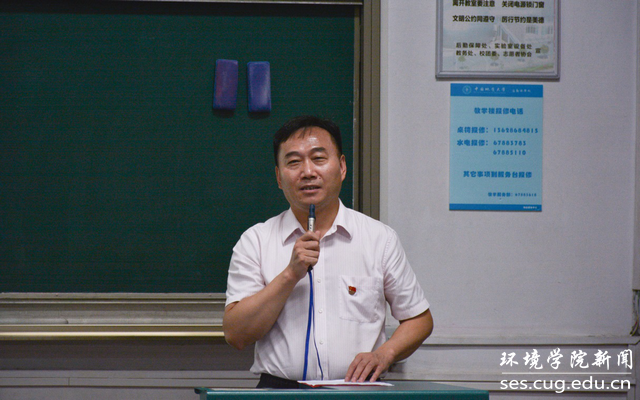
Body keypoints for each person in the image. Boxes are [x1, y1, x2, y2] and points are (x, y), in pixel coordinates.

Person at [223, 115, 433, 388]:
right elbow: (236, 334)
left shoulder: (379, 239)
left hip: (359, 390)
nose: (308, 172)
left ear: (342, 167)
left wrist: (384, 354)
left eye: (319, 158)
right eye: (294, 162)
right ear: (278, 177)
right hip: (280, 390)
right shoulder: (256, 241)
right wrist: (290, 275)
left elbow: (419, 319)